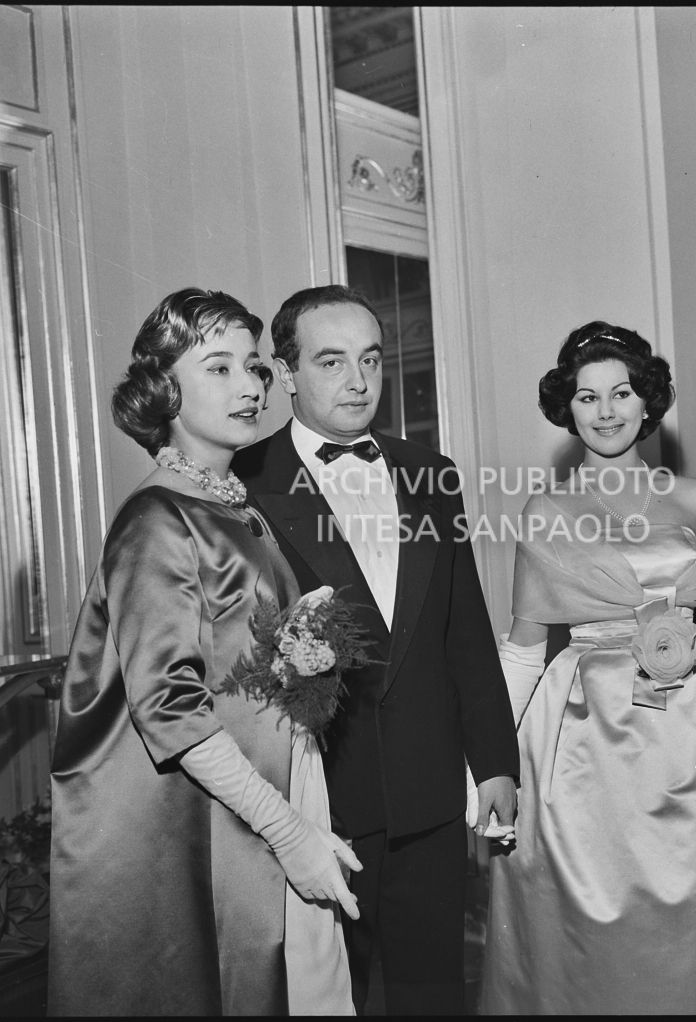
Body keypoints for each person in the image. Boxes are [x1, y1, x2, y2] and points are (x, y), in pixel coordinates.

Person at [48, 288, 359, 1016]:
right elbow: (171, 708)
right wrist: (289, 833)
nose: (250, 386)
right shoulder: (157, 517)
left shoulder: (230, 506)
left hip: (268, 798)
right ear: (164, 390)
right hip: (214, 824)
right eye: (218, 368)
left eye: (253, 366)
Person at [478, 323, 696, 1014]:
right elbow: (524, 649)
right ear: (567, 408)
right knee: (597, 923)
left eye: (621, 393)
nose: (605, 411)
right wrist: (488, 762)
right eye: (587, 396)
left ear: (647, 401)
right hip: (587, 744)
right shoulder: (548, 509)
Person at [232, 284, 519, 1016]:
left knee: (432, 990)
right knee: (332, 998)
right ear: (287, 372)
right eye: (332, 362)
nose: (359, 382)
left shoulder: (433, 473)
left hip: (428, 783)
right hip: (320, 796)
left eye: (371, 359)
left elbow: (463, 628)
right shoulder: (242, 486)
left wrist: (492, 763)